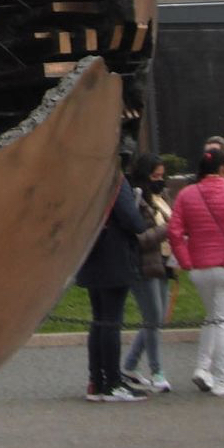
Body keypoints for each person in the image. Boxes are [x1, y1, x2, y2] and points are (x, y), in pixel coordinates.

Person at [168, 143, 224, 395]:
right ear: (223, 169)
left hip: (199, 268)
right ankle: (221, 379)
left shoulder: (186, 194)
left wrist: (186, 260)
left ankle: (202, 368)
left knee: (212, 318)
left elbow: (175, 231)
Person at [77, 168, 148, 402]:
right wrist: (141, 220)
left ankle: (96, 380)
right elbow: (131, 219)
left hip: (90, 254)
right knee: (111, 322)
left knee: (98, 321)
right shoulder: (114, 179)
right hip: (114, 256)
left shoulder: (85, 179)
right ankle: (113, 383)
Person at [122, 154, 173, 393]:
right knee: (152, 317)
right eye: (155, 176)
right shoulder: (137, 199)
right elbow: (139, 237)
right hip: (144, 263)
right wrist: (168, 230)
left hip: (164, 262)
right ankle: (157, 370)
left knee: (157, 318)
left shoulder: (161, 196)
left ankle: (130, 364)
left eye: (162, 176)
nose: (160, 180)